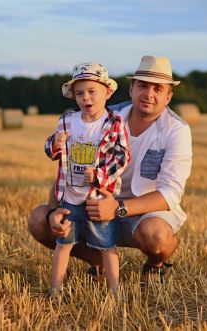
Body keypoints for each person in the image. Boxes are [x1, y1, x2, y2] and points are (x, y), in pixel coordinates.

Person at [28, 55, 192, 284]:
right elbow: (68, 166)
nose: (149, 94)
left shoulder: (177, 130)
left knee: (156, 236)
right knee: (39, 220)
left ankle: (155, 265)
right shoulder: (100, 117)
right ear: (131, 88)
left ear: (169, 96)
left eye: (158, 89)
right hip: (92, 205)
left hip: (140, 213)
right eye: (143, 85)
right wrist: (56, 209)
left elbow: (171, 194)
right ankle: (97, 260)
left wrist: (117, 208)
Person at [45, 62, 130, 298]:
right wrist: (55, 143)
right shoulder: (66, 121)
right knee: (63, 245)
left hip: (97, 199)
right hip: (70, 198)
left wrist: (100, 175)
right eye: (80, 93)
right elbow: (50, 150)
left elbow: (122, 157)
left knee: (107, 247)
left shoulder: (113, 123)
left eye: (92, 91)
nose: (86, 98)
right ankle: (55, 289)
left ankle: (115, 292)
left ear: (107, 92)